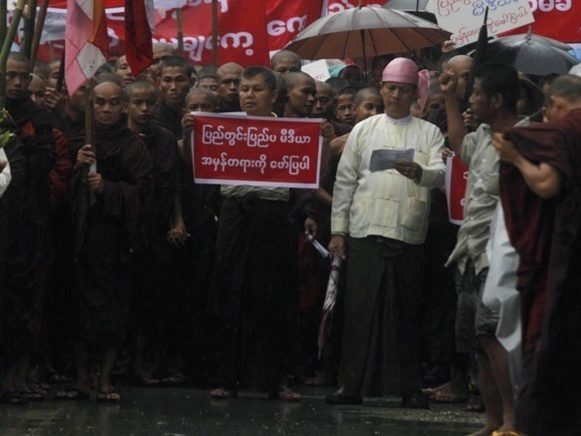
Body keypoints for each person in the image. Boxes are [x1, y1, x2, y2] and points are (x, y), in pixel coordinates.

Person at [326, 57, 445, 408]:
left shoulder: (429, 132)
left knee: (406, 312)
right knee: (360, 311)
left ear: (414, 93)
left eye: (403, 89)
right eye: (390, 88)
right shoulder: (364, 129)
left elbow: (440, 173)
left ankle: (409, 387)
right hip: (365, 229)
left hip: (407, 231)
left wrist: (419, 171)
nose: (395, 95)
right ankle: (351, 386)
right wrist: (338, 231)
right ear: (382, 90)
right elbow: (345, 182)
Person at [492, 74, 581, 436]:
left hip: (569, 259)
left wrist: (515, 156)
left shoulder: (566, 131)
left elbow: (547, 184)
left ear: (557, 104)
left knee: (552, 340)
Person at [210, 66, 300, 401]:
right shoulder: (224, 127)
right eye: (244, 89)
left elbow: (305, 177)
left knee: (273, 294)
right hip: (234, 211)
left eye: (257, 89)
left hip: (273, 213)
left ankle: (275, 380)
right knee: (229, 291)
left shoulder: (291, 131)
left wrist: (317, 143)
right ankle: (226, 377)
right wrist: (191, 134)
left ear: (273, 95)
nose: (248, 94)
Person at [441, 62, 520, 435]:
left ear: (497, 99)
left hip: (501, 255)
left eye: (476, 94)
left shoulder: (526, 138)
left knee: (496, 337)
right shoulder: (483, 134)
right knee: (479, 342)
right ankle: (492, 422)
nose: (471, 99)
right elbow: (460, 146)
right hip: (470, 251)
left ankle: (512, 421)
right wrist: (449, 99)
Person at [65, 77, 152, 402]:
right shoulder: (79, 139)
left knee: (112, 312)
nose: (106, 108)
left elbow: (144, 191)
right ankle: (81, 378)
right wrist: (78, 169)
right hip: (82, 239)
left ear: (124, 106)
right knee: (78, 309)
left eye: (113, 102)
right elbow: (61, 191)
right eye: (99, 102)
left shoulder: (133, 145)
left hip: (115, 240)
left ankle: (104, 379)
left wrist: (110, 190)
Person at [125, 80, 186, 386]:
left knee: (160, 298)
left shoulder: (163, 137)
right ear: (127, 105)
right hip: (125, 228)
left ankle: (158, 362)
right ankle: (131, 364)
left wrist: (178, 221)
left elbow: (174, 183)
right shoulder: (117, 137)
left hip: (159, 224)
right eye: (138, 103)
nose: (145, 109)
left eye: (150, 103)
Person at [154, 56, 195, 138]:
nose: (173, 87)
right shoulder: (152, 116)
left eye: (180, 80)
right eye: (167, 80)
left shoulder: (201, 110)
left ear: (191, 83)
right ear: (159, 83)